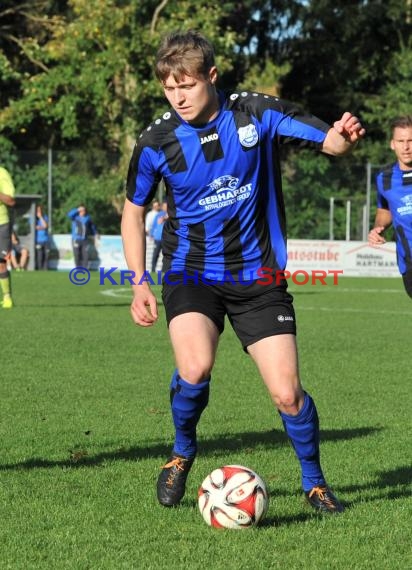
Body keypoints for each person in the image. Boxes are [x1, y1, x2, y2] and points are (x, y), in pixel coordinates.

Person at [121, 30, 365, 513]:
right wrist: (138, 282)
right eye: (169, 87)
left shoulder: (254, 113)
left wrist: (344, 138)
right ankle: (182, 451)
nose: (178, 96)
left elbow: (329, 142)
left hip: (259, 278)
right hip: (192, 273)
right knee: (194, 369)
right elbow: (133, 211)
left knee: (287, 393)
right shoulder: (156, 141)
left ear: (211, 76)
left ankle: (314, 483)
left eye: (186, 85)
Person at [368, 115, 412, 297]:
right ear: (392, 144)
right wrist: (378, 228)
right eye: (401, 141)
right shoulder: (384, 178)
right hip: (408, 260)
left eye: (411, 140)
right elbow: (385, 210)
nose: (406, 147)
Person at [0, 165, 16, 308]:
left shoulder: (2, 173)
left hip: (1, 223)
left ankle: (7, 297)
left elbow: (11, 201)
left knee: (0, 262)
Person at [67, 204, 97, 268]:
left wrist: (95, 233)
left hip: (85, 240)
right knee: (77, 255)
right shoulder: (75, 217)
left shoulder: (88, 218)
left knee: (85, 255)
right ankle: (78, 268)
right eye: (81, 210)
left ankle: (85, 268)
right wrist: (77, 209)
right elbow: (69, 214)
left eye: (84, 210)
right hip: (76, 239)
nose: (83, 211)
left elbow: (92, 226)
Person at [150, 201, 168, 273]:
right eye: (164, 206)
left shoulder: (171, 214)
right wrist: (151, 234)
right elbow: (154, 225)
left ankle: (164, 270)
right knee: (155, 254)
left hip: (166, 239)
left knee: (166, 255)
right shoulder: (158, 215)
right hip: (157, 238)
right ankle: (153, 270)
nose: (165, 208)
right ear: (162, 207)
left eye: (166, 206)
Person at [35, 204, 49, 270]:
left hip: (46, 240)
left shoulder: (45, 217)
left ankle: (45, 270)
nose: (39, 212)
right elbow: (35, 227)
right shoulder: (34, 218)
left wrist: (41, 217)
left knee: (46, 256)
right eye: (38, 210)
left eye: (40, 210)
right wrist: (42, 227)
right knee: (39, 257)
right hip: (38, 240)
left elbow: (45, 226)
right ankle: (39, 270)